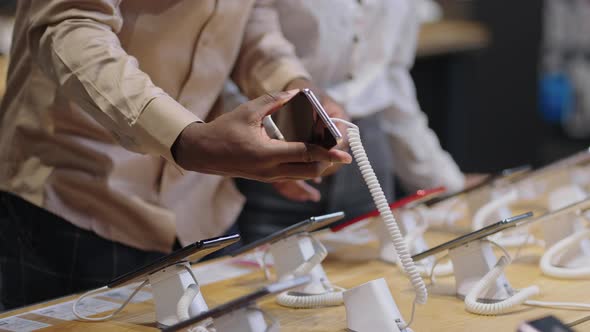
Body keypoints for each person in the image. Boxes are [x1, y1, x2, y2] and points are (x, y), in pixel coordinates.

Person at [0, 0, 351, 309]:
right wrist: (186, 138)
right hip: (74, 197)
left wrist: (297, 90)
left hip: (200, 206)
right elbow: (70, 26)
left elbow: (252, 18)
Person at [231, 0, 466, 243]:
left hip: (367, 152)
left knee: (374, 272)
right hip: (277, 139)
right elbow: (236, 54)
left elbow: (391, 78)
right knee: (265, 272)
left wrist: (443, 181)